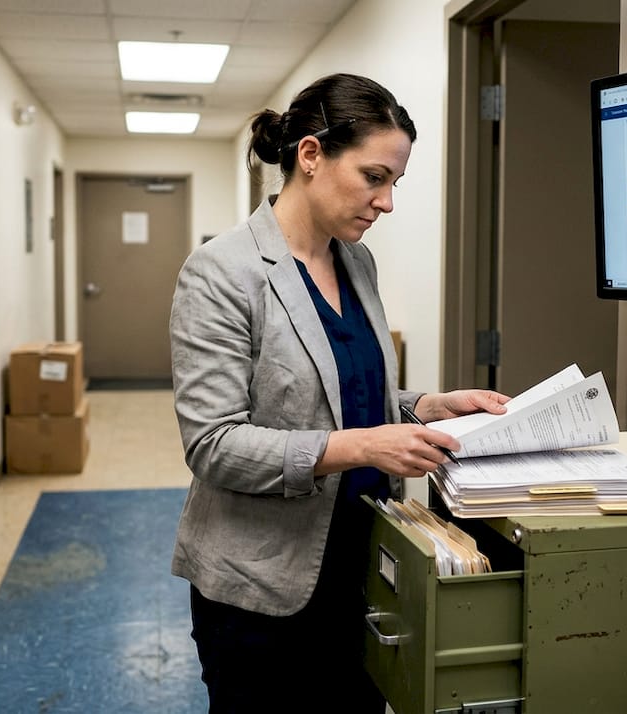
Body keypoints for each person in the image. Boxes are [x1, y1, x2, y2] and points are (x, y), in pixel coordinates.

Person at [168, 73, 509, 714]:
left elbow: (339, 390)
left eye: (395, 184)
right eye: (374, 177)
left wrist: (424, 407)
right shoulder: (223, 271)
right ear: (310, 154)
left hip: (364, 568)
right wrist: (364, 446)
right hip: (262, 587)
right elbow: (213, 444)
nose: (386, 203)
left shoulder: (356, 262)